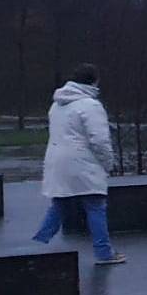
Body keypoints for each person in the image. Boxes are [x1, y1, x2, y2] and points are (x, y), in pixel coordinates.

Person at [32, 64, 125, 265]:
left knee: (59, 205)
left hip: (57, 161)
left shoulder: (56, 104)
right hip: (84, 163)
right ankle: (104, 253)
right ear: (94, 81)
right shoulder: (90, 105)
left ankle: (37, 247)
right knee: (95, 206)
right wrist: (108, 163)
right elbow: (99, 140)